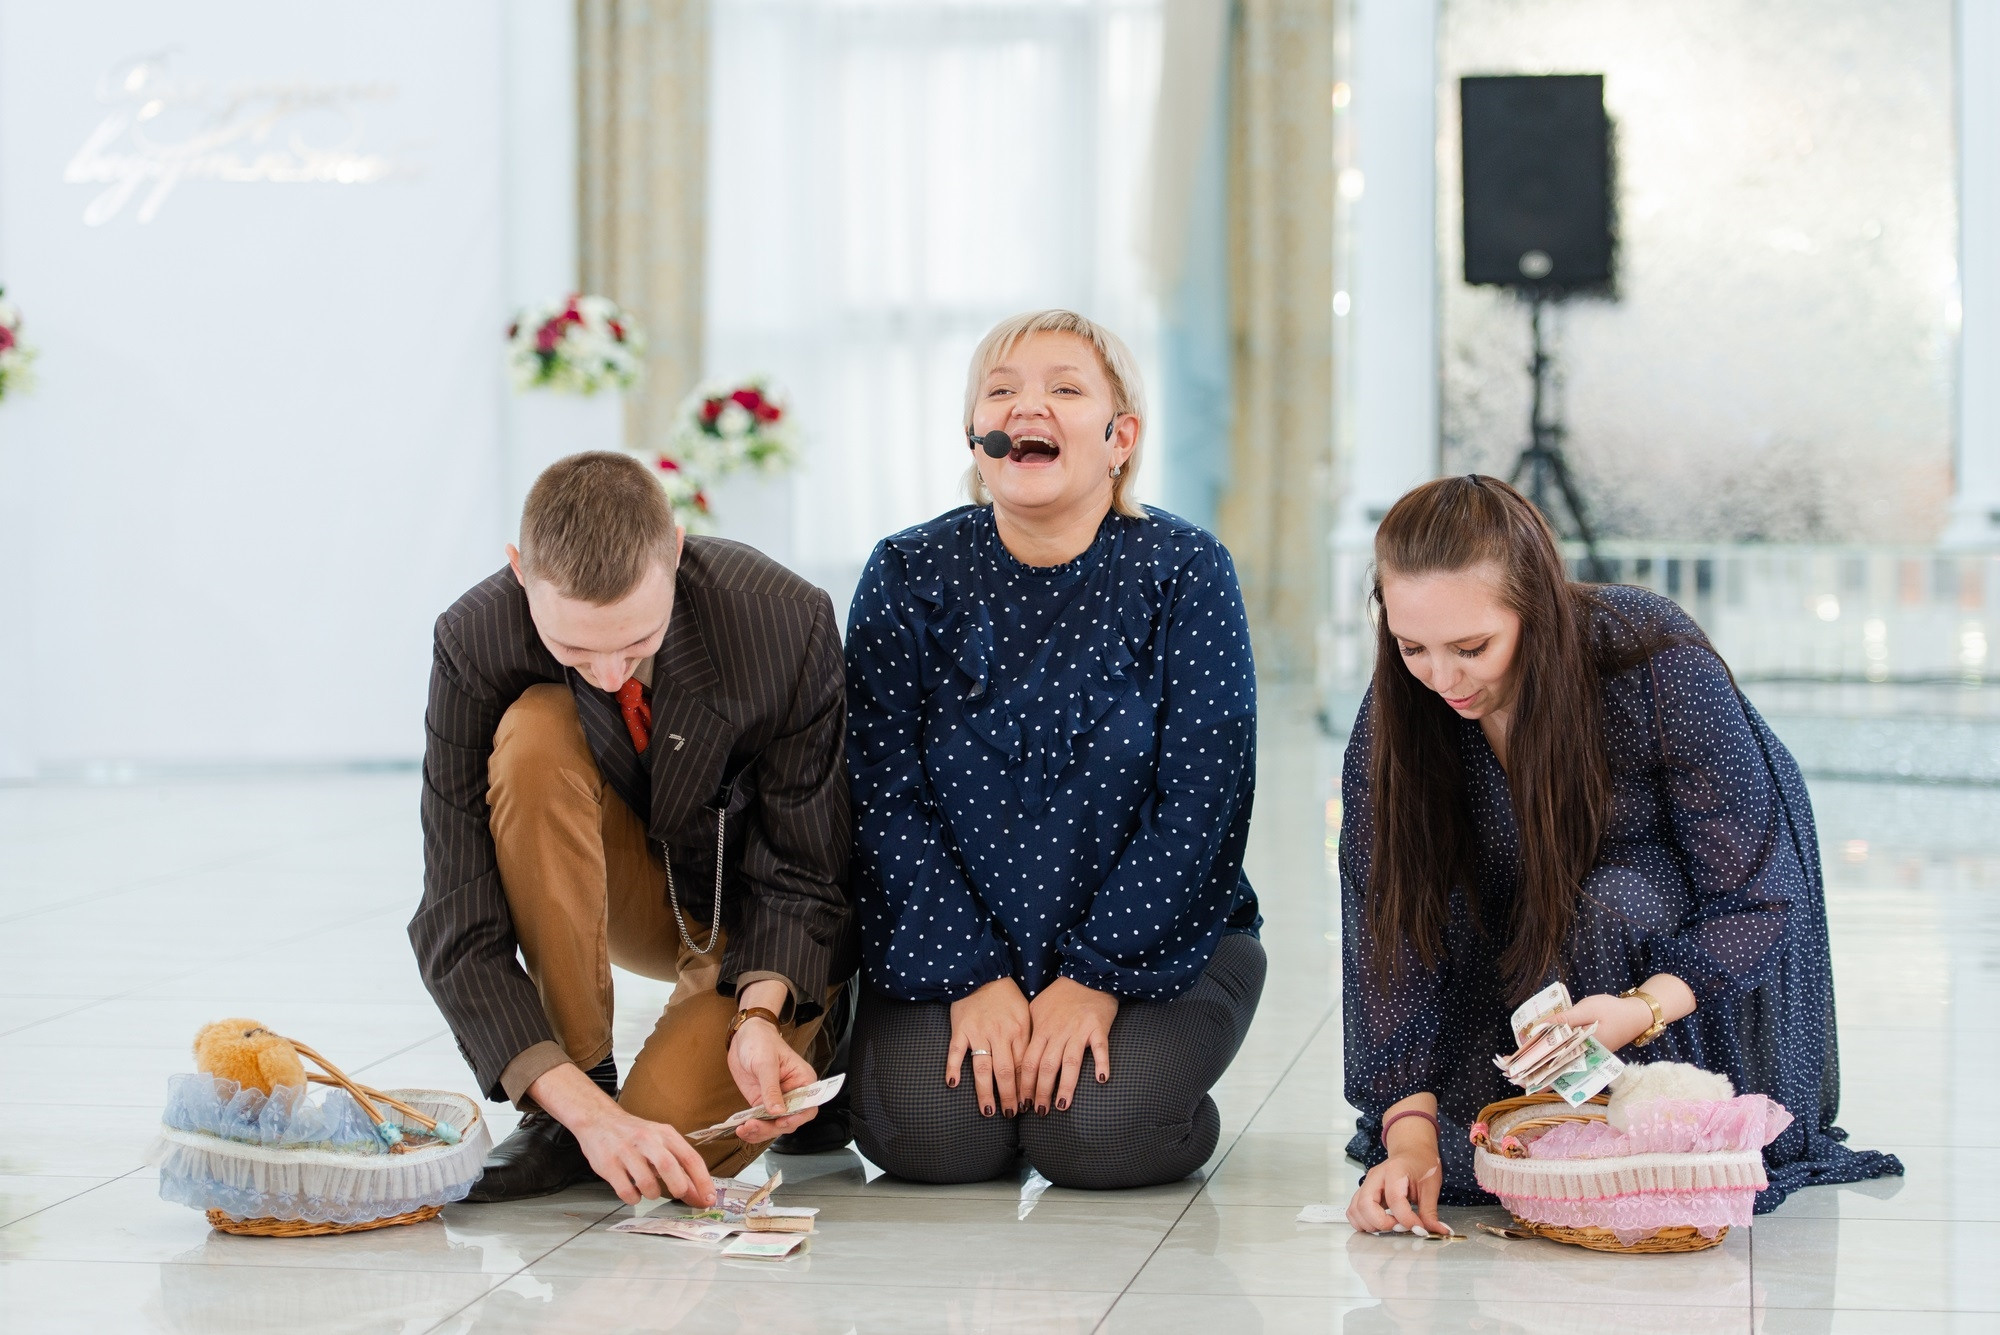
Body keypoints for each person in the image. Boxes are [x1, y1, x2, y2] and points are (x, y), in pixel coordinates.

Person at [1340, 474, 1904, 1235]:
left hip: (1684, 956)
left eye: (1472, 648)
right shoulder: (1400, 713)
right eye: (1413, 647)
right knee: (1468, 1144)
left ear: (1537, 607)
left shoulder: (1651, 657)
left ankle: (1638, 1124)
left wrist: (1641, 1009)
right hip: (1517, 957)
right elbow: (1388, 922)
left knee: (1615, 903)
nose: (1442, 678)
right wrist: (1408, 1137)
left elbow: (1759, 894)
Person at [844, 309, 1266, 1190]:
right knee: (929, 1138)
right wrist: (971, 974)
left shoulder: (1187, 570)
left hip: (1159, 947)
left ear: (1121, 438)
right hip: (947, 948)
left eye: (1065, 389)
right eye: (1000, 391)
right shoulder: (905, 572)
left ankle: (1154, 1090)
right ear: (976, 434)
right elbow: (883, 797)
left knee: (1095, 1137)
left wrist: (1094, 977)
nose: (1026, 406)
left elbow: (1201, 806)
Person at [409, 451, 854, 1207]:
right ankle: (572, 1093)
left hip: (755, 918)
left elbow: (807, 865)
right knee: (535, 733)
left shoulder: (784, 619)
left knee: (663, 1137)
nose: (611, 674)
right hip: (638, 894)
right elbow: (458, 909)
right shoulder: (472, 640)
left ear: (675, 553)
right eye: (575, 649)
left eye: (637, 642)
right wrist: (579, 1109)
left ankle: (819, 1026)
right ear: (519, 571)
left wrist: (759, 1014)